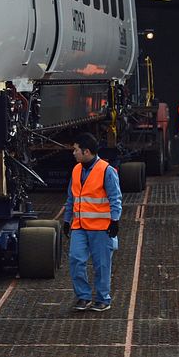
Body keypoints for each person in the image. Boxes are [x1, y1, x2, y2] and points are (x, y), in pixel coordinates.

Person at [62, 133, 122, 312]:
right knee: (75, 259)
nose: (73, 153)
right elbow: (71, 198)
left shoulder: (106, 171)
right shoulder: (76, 170)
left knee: (102, 265)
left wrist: (115, 220)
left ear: (86, 151)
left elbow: (115, 197)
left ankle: (103, 298)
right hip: (79, 226)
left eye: (76, 149)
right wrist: (67, 220)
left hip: (100, 228)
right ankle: (84, 297)